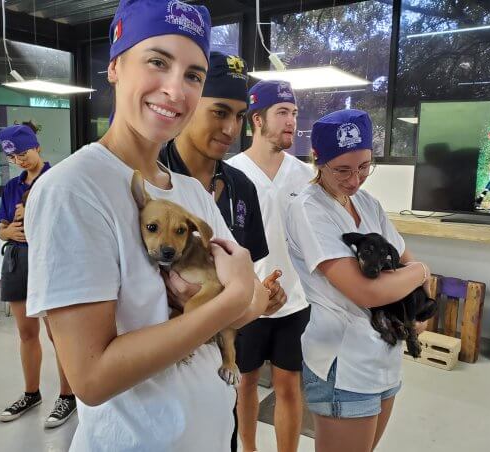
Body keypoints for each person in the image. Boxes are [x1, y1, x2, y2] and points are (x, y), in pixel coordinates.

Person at [24, 2, 269, 450]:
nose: (176, 90)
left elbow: (257, 299)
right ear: (115, 65)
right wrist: (227, 297)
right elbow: (93, 378)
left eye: (193, 75)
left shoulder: (191, 194)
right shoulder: (74, 189)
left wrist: (238, 298)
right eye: (157, 61)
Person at [158, 51, 287, 451]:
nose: (231, 128)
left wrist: (263, 296)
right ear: (189, 102)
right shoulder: (151, 180)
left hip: (223, 359)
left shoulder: (240, 187)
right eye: (219, 112)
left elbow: (245, 275)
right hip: (162, 363)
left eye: (238, 115)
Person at [285, 109, 430, 452]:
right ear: (318, 161)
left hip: (384, 354)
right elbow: (367, 291)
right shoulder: (310, 209)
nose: (355, 180)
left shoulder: (367, 203)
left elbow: (406, 261)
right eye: (343, 170)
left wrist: (416, 301)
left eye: (364, 166)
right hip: (344, 363)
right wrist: (421, 272)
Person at [227, 80, 312, 452]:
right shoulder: (230, 174)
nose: (291, 121)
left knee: (289, 385)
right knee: (244, 384)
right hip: (245, 303)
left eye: (294, 113)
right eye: (282, 112)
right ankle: (248, 449)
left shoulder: (306, 175)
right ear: (256, 119)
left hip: (295, 301)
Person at [0, 123, 77, 429]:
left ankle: (68, 396)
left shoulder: (58, 180)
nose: (20, 161)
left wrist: (32, 220)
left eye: (24, 154)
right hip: (18, 261)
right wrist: (8, 229)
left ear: (37, 146)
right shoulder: (11, 187)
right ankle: (32, 393)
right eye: (14, 158)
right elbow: (2, 227)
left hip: (51, 262)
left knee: (59, 334)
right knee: (26, 333)